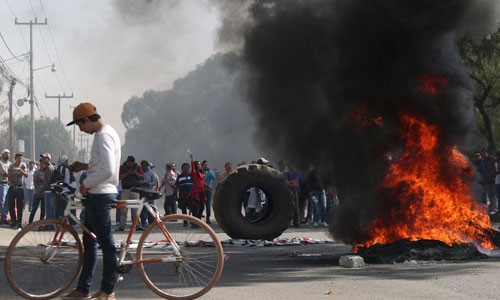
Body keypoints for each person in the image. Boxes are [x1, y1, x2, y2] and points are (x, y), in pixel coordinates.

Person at [62, 102, 121, 300]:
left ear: (87, 120)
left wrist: (86, 183)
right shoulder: (104, 133)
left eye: (80, 125)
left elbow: (108, 170)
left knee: (107, 245)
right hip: (96, 194)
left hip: (100, 194)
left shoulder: (103, 135)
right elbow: (101, 164)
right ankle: (83, 290)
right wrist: (84, 166)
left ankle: (108, 291)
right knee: (90, 243)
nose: (81, 130)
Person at [116, 155, 144, 231]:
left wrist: (135, 173)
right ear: (127, 162)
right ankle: (122, 226)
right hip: (125, 190)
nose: (131, 165)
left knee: (135, 209)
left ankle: (137, 225)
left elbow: (142, 177)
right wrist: (127, 173)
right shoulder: (122, 167)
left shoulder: (137, 167)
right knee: (123, 209)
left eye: (132, 163)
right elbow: (119, 177)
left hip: (135, 189)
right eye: (130, 163)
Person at [7, 153, 27, 229]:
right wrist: (13, 184)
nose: (20, 160)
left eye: (21, 158)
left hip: (20, 187)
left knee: (20, 206)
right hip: (12, 187)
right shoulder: (11, 166)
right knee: (11, 206)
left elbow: (26, 174)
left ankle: (19, 222)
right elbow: (9, 177)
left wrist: (20, 170)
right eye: (19, 158)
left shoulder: (23, 165)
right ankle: (13, 220)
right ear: (15, 158)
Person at [188, 153, 209, 224]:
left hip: (202, 192)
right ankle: (194, 222)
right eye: (198, 164)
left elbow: (202, 183)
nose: (199, 165)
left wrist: (209, 187)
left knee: (202, 207)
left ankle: (198, 220)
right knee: (195, 207)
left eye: (200, 164)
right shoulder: (194, 173)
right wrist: (192, 159)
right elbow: (192, 167)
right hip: (196, 192)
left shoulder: (202, 173)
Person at [138, 160, 158, 229]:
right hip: (142, 193)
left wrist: (148, 184)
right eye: (142, 165)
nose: (144, 167)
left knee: (151, 208)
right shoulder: (139, 173)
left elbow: (154, 182)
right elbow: (136, 181)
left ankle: (151, 223)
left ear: (147, 166)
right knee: (143, 209)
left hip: (150, 193)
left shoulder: (152, 173)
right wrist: (140, 183)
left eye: (145, 165)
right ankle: (144, 223)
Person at [29, 158, 46, 224]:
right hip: (37, 193)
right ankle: (30, 223)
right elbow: (35, 182)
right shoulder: (36, 172)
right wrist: (38, 190)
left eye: (43, 164)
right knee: (34, 209)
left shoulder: (46, 172)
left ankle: (41, 223)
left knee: (43, 209)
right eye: (40, 164)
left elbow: (47, 182)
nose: (41, 165)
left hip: (44, 193)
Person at [40, 153, 55, 223]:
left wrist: (42, 190)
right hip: (51, 191)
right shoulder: (52, 167)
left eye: (44, 158)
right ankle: (51, 224)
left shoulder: (49, 168)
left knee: (48, 209)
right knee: (51, 209)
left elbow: (47, 182)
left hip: (48, 191)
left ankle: (48, 225)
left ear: (48, 159)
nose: (42, 159)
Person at [0, 148, 11, 224]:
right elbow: (5, 173)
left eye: (8, 153)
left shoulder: (10, 164)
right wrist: (11, 174)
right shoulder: (1, 163)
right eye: (6, 153)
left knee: (7, 202)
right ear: (2, 154)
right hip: (2, 183)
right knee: (3, 201)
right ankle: (3, 217)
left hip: (9, 183)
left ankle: (4, 218)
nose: (7, 154)